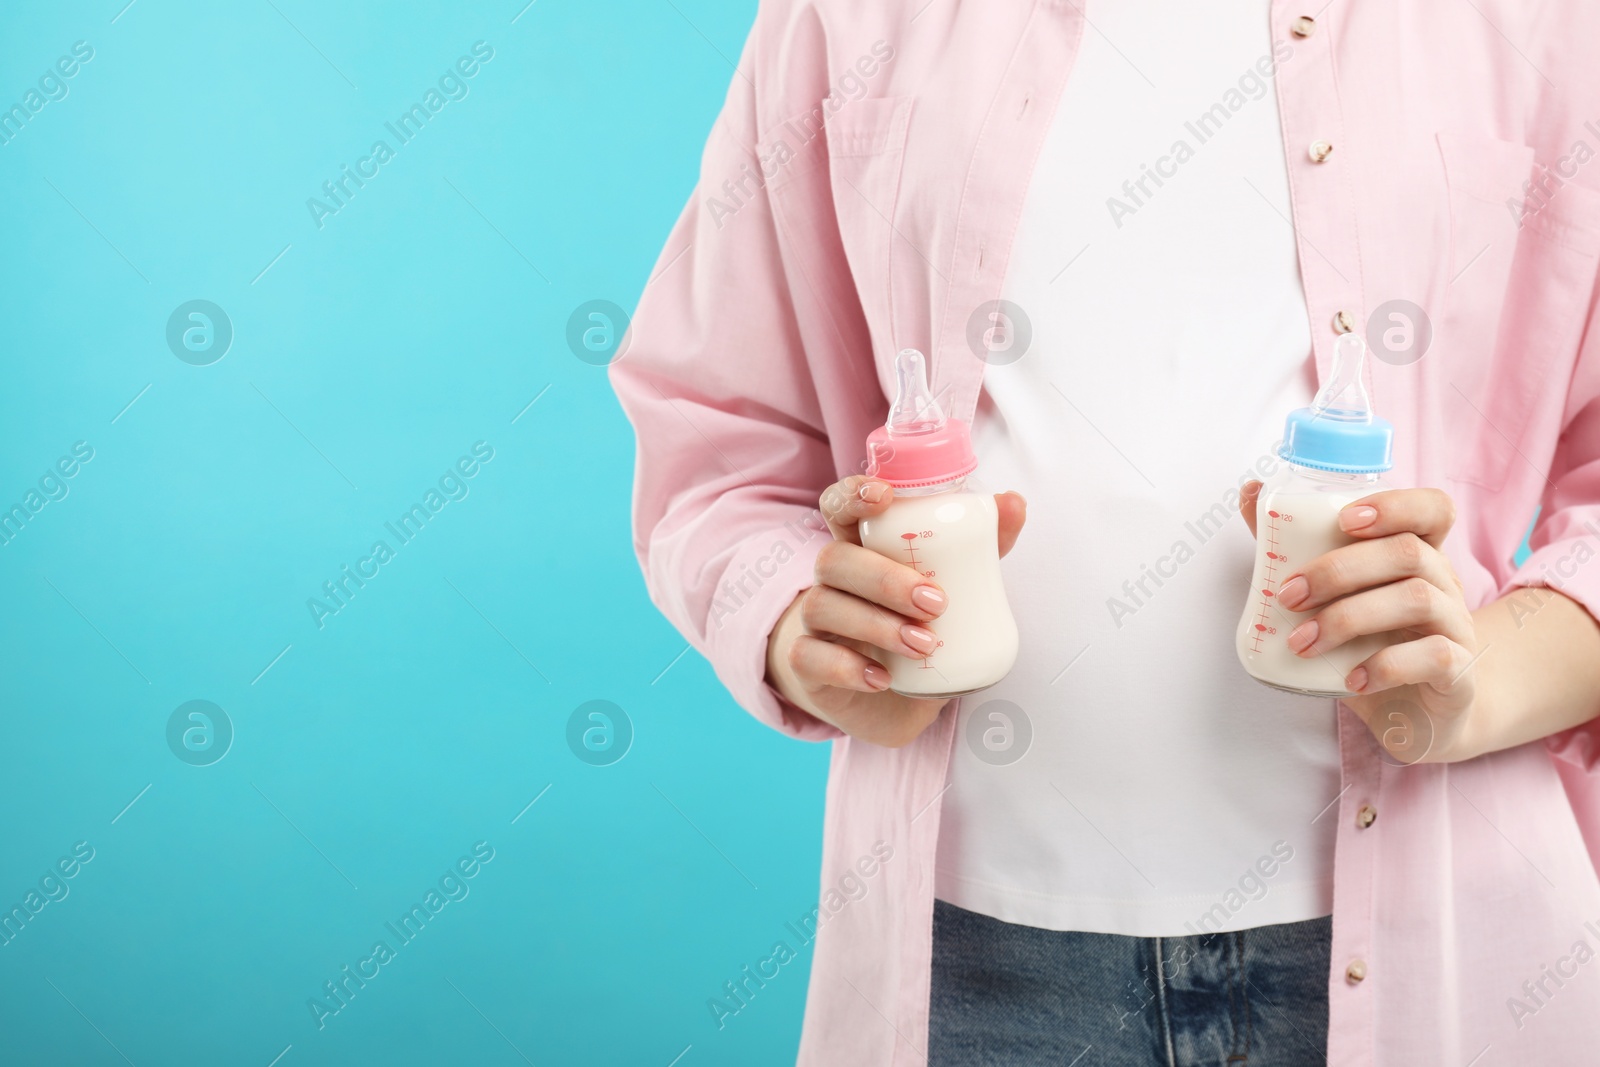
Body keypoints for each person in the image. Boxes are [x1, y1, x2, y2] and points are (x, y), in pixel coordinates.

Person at [610, 2, 1600, 1063]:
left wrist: (1475, 682)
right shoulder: (845, 17)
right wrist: (803, 625)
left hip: (1441, 952)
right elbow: (718, 432)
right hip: (975, 964)